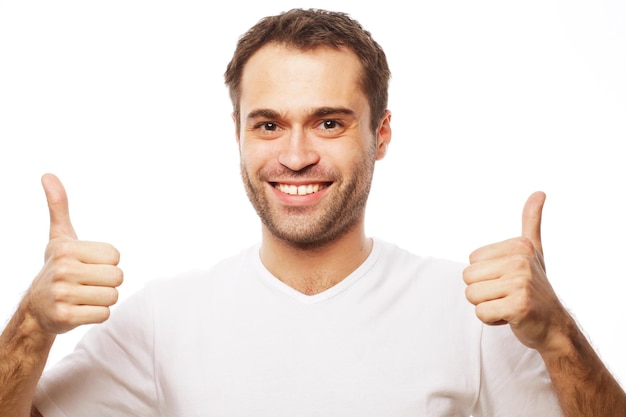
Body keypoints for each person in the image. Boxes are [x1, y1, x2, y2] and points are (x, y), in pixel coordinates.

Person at [1, 8, 624, 417]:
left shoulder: (472, 313)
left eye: (329, 122)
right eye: (268, 124)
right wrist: (30, 327)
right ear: (238, 134)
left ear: (380, 135)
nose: (295, 155)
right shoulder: (163, 320)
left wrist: (559, 337)